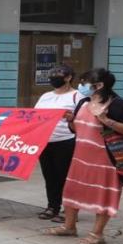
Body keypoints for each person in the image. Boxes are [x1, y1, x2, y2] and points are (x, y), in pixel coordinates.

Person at [44, 68, 123, 244]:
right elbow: (77, 128)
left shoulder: (118, 105)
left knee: (103, 194)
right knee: (72, 190)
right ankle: (69, 226)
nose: (81, 86)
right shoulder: (83, 102)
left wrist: (105, 119)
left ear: (99, 85)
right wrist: (71, 120)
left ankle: (97, 233)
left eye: (84, 82)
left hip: (105, 160)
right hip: (80, 157)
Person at [34, 65, 80, 222]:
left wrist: (72, 118)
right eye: (52, 74)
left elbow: (83, 118)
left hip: (66, 140)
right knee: (50, 176)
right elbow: (34, 116)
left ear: (68, 77)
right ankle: (52, 206)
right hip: (46, 141)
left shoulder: (77, 96)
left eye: (58, 74)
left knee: (65, 176)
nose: (53, 77)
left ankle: (69, 211)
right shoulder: (46, 96)